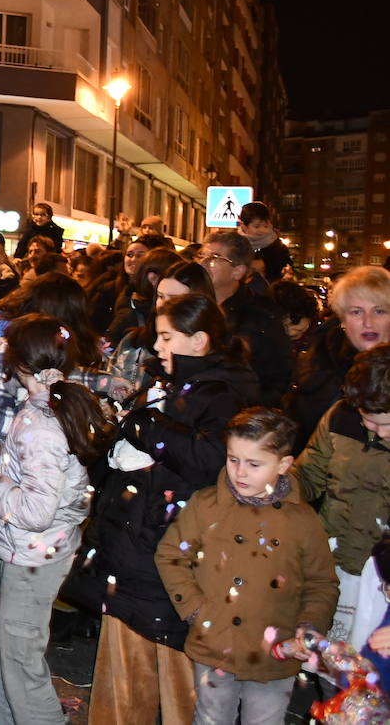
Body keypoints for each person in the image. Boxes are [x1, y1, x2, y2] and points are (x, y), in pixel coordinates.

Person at [82, 294, 258, 725]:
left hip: (169, 556)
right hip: (137, 548)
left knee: (180, 684)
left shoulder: (222, 394)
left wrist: (149, 428)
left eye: (166, 337)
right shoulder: (176, 383)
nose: (157, 347)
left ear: (198, 340)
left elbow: (213, 460)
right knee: (125, 677)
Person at [0, 315, 112, 725]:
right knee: (1, 650)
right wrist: (1, 452)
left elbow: (34, 510)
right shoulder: (56, 403)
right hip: (30, 551)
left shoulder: (40, 421)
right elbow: (49, 474)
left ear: (19, 364)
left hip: (30, 554)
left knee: (19, 660)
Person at [155, 408, 337, 725]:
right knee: (211, 717)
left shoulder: (302, 520)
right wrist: (197, 609)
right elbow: (172, 555)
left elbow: (322, 583)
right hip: (215, 642)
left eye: (254, 464)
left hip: (275, 652)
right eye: (232, 459)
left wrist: (308, 626)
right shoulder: (205, 505)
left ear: (284, 465)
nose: (240, 473)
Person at [295, 343, 390, 649]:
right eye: (364, 417)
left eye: (381, 422)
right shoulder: (341, 417)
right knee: (327, 657)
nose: (369, 427)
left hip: (380, 578)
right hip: (333, 561)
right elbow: (309, 474)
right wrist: (277, 488)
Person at [286, 267, 390, 452]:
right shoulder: (318, 362)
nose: (368, 322)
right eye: (356, 312)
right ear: (342, 319)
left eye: (379, 311)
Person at [199, 230, 292, 406]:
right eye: (202, 255)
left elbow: (278, 377)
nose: (204, 262)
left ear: (238, 271)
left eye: (214, 257)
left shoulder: (262, 315)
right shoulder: (194, 306)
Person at [237, 201, 292, 283]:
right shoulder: (235, 244)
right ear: (243, 225)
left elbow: (284, 270)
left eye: (265, 226)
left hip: (269, 291)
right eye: (257, 226)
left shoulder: (278, 247)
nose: (262, 230)